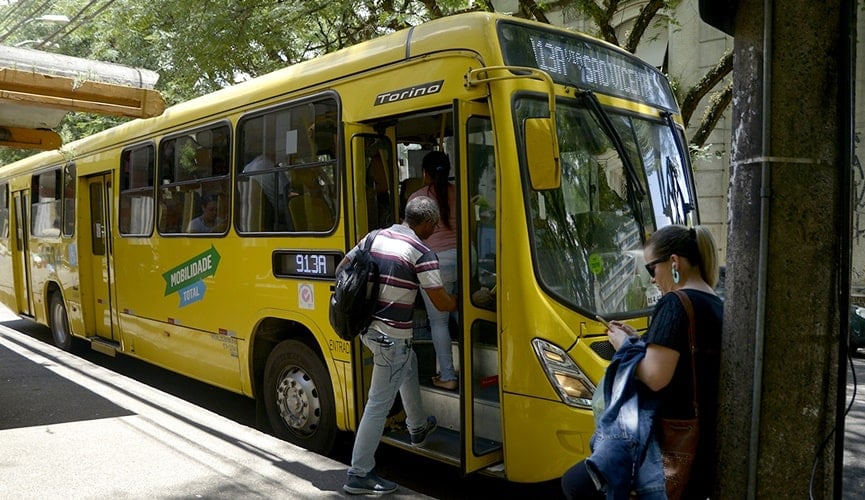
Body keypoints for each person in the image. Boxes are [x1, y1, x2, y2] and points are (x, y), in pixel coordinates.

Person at [561, 225, 723, 499]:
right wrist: (640, 340)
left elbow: (655, 376)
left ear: (674, 262)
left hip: (667, 445)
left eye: (651, 269)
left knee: (575, 484)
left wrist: (623, 346)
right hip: (703, 444)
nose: (651, 279)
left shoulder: (675, 302)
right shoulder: (714, 302)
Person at [342, 196, 459, 496]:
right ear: (429, 224)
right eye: (433, 225)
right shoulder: (421, 252)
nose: (434, 230)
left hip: (368, 330)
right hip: (391, 337)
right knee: (378, 404)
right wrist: (469, 302)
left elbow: (343, 266)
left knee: (409, 364)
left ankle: (418, 427)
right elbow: (441, 302)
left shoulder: (374, 237)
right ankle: (360, 473)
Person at [408, 150, 459, 390]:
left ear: (425, 173)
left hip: (436, 264)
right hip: (464, 258)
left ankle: (448, 376)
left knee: (438, 322)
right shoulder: (458, 192)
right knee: (461, 312)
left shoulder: (418, 198)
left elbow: (410, 237)